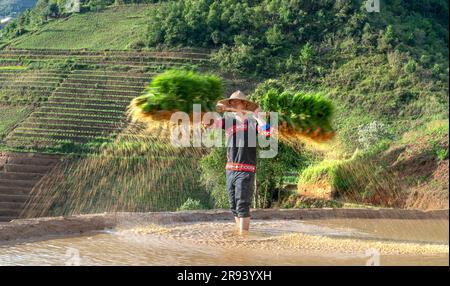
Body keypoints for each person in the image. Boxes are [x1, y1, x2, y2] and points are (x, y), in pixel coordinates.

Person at [203, 90, 271, 234]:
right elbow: (208, 124)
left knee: (242, 205)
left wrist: (258, 115)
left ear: (244, 104)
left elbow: (267, 132)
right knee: (233, 205)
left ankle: (243, 238)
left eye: (236, 102)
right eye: (231, 103)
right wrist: (212, 108)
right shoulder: (228, 122)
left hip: (246, 170)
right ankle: (240, 234)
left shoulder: (253, 123)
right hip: (230, 170)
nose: (233, 105)